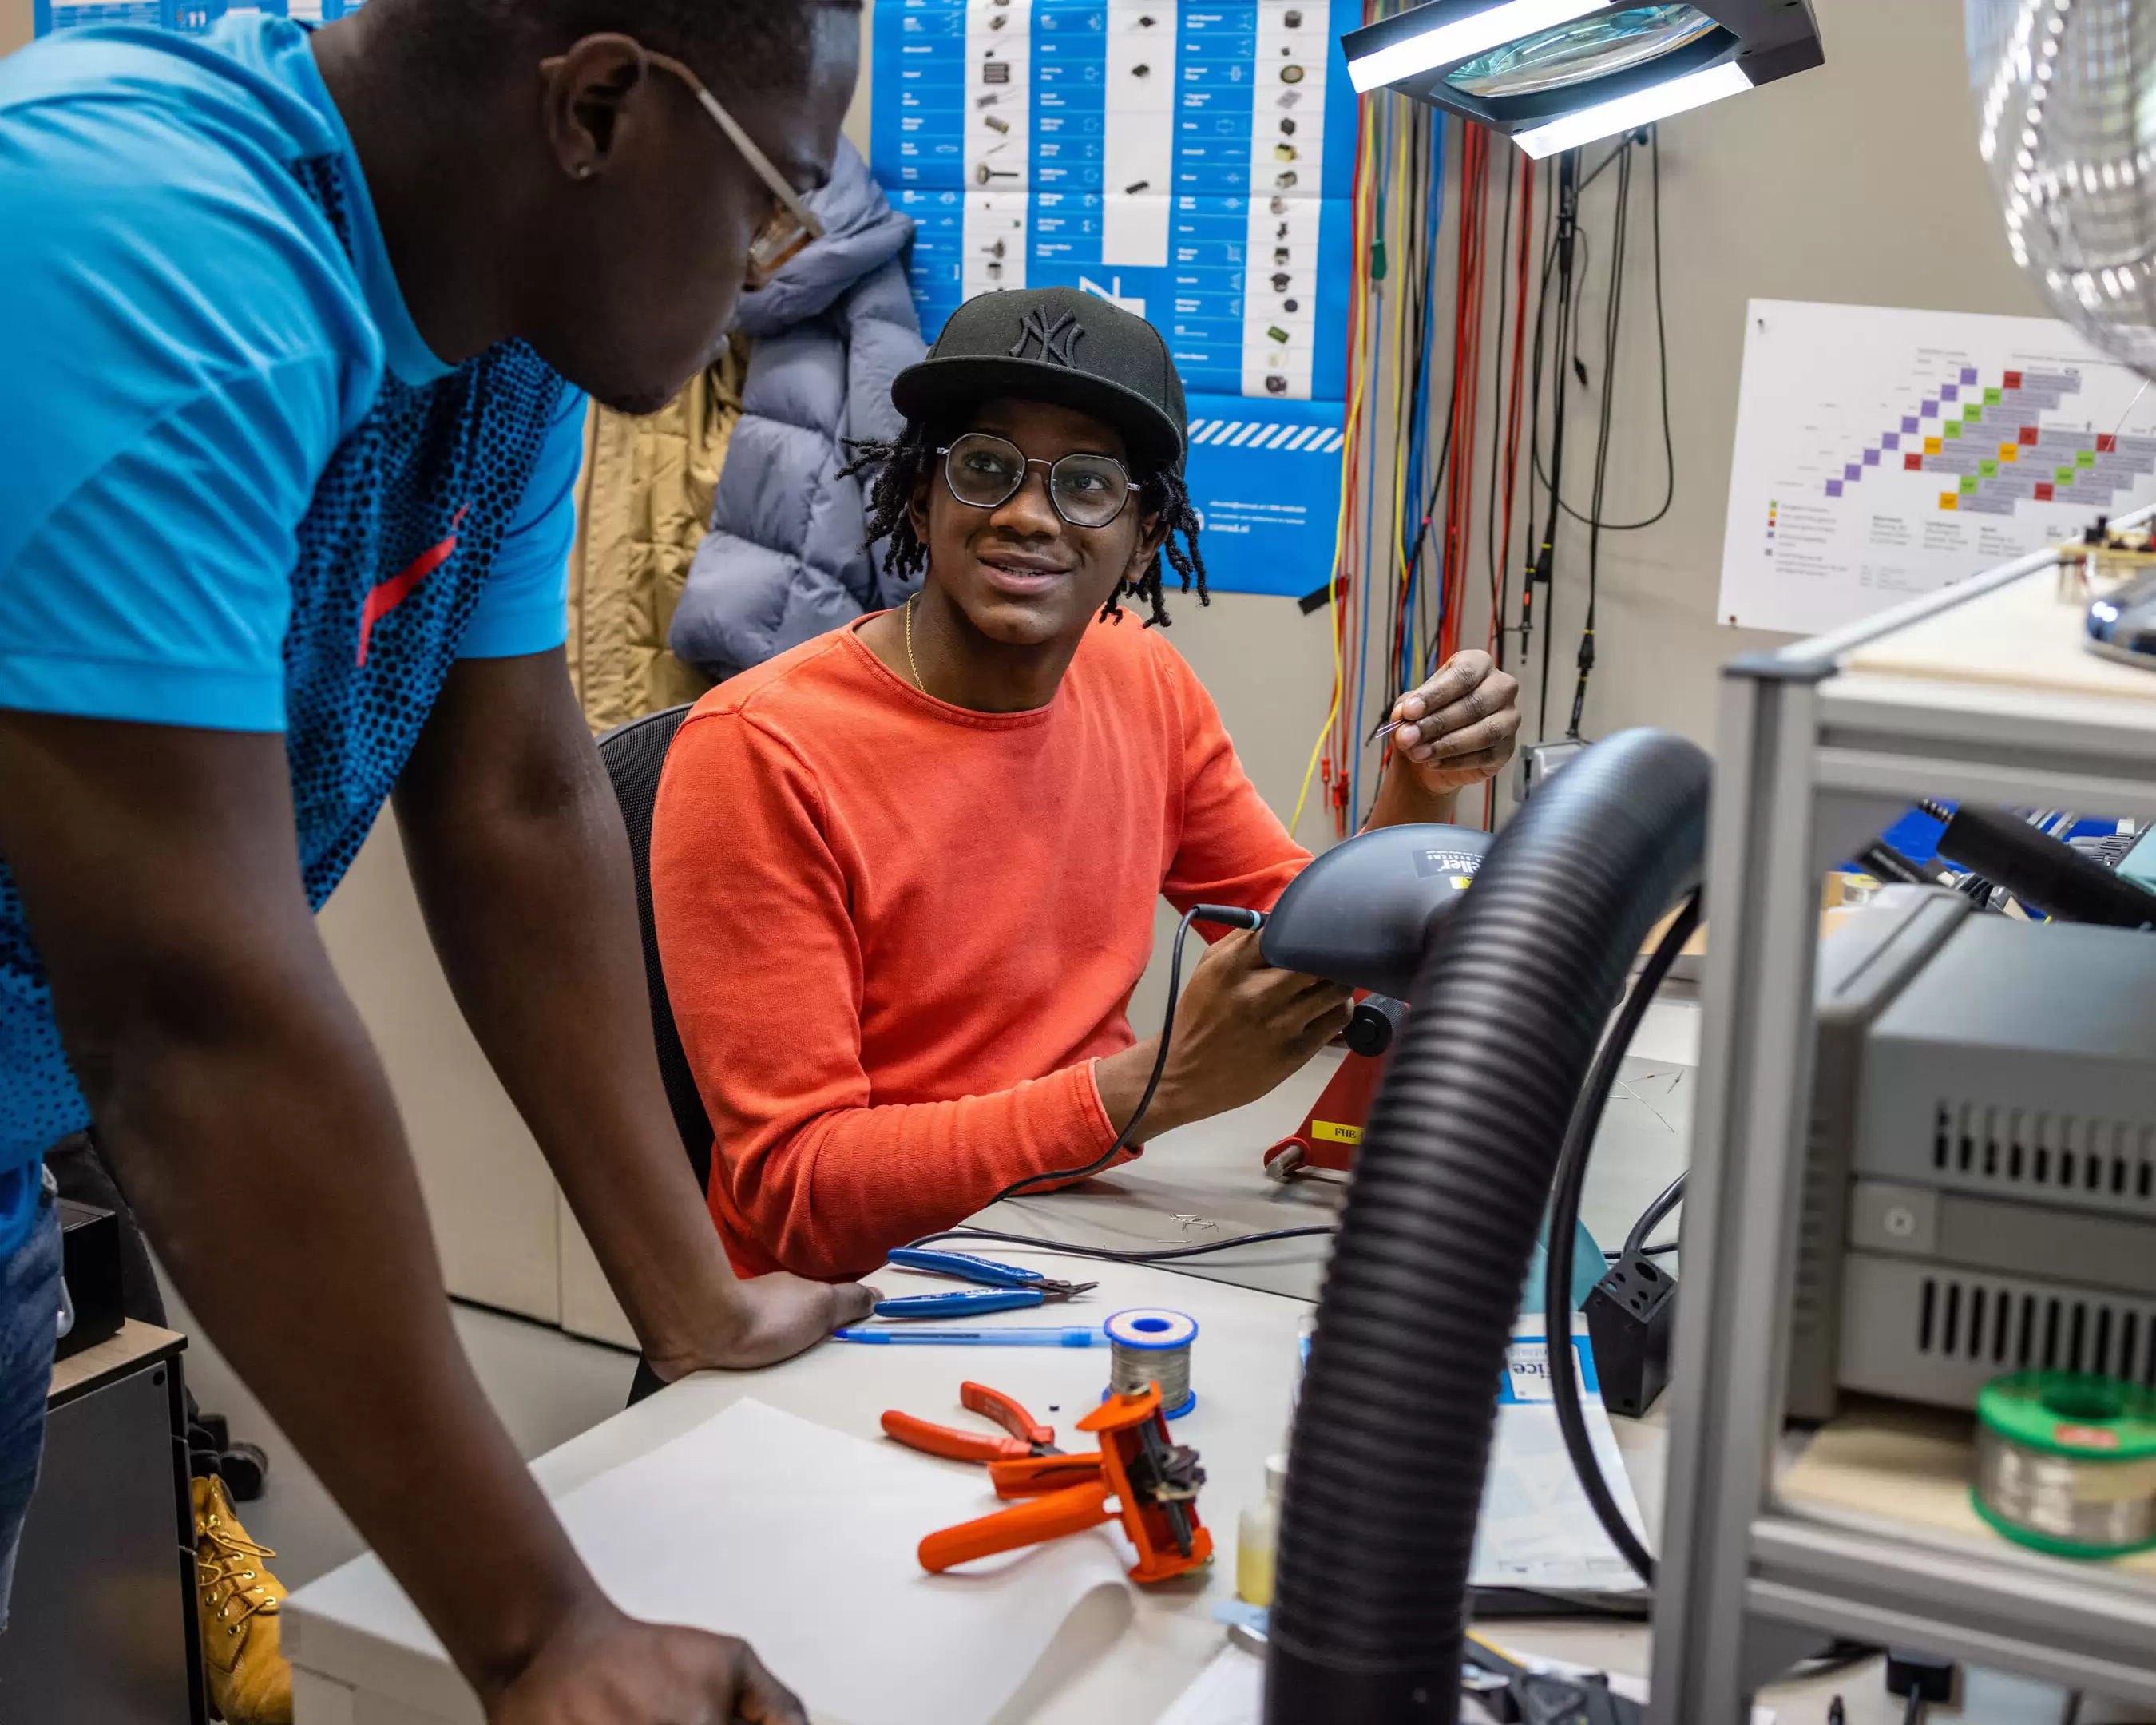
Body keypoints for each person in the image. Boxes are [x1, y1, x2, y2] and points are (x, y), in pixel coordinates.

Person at [0, 4, 875, 1723]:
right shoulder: (132, 246)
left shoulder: (497, 335)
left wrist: (686, 1295)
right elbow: (187, 1024)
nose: (762, 277)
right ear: (598, 109)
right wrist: (541, 1634)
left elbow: (515, 800)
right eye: (769, 203)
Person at [650, 286, 1524, 1284]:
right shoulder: (759, 751)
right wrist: (1149, 1089)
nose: (1029, 516)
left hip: (1069, 1234)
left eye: (1089, 484)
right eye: (985, 467)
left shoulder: (1138, 678)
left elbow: (1318, 954)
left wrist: (1425, 782)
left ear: (1145, 533)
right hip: (858, 1296)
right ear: (922, 495)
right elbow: (797, 1198)